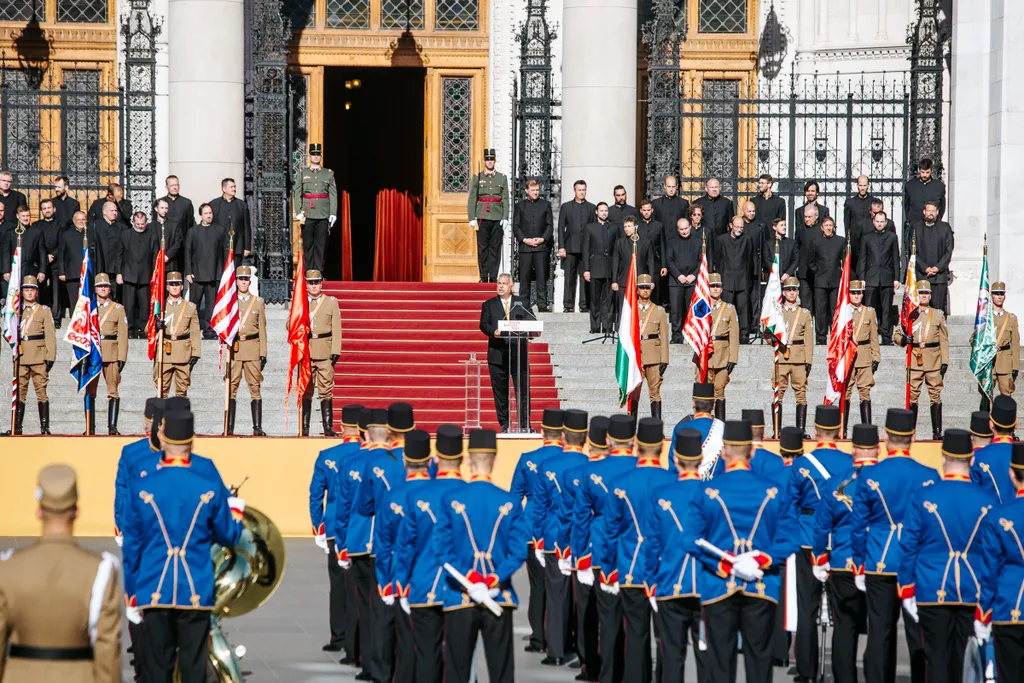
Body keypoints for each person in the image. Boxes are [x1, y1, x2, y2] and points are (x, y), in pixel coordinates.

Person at [121, 409, 245, 683]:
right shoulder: (208, 484)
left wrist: (132, 592)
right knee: (193, 670)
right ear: (193, 442)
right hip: (195, 589)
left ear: (161, 439)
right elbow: (229, 536)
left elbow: (132, 547)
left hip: (153, 587)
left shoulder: (142, 486)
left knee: (157, 670)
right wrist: (236, 512)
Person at [682, 420, 802, 683]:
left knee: (720, 662)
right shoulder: (774, 491)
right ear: (751, 452)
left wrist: (724, 564)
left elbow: (690, 539)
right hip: (762, 583)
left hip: (718, 585)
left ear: (724, 452)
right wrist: (762, 558)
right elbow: (792, 536)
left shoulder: (706, 490)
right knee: (759, 662)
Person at [0, 464, 122, 682]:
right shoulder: (100, 571)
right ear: (76, 510)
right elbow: (107, 650)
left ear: (39, 510)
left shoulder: (8, 568)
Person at [897, 429, 996, 683]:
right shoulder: (989, 501)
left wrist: (906, 587)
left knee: (937, 659)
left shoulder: (924, 497)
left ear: (943, 458)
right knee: (967, 664)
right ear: (972, 460)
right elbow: (993, 554)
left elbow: (908, 546)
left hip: (932, 588)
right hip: (972, 590)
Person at [849, 407, 935, 683]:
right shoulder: (929, 475)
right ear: (912, 436)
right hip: (916, 563)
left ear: (886, 437)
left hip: (879, 559)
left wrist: (859, 562)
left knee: (879, 633)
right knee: (918, 634)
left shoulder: (870, 475)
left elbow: (859, 526)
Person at [435, 428, 528, 683]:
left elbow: (441, 550)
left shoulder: (450, 499)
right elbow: (519, 551)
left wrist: (471, 579)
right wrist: (491, 579)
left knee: (457, 671)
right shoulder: (509, 502)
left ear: (467, 459)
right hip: (500, 596)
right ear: (495, 461)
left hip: (459, 596)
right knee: (501, 672)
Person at [391, 425, 468, 683]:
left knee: (427, 654)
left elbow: (406, 546)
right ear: (462, 458)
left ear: (435, 460)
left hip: (423, 584)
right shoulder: (473, 494)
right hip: (463, 587)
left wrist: (401, 582)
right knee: (460, 658)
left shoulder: (417, 496)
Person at [785, 404, 852, 683]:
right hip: (839, 539)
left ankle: (806, 671)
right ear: (839, 431)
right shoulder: (850, 464)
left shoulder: (802, 464)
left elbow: (790, 506)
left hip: (806, 539)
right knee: (843, 614)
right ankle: (843, 672)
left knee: (806, 607)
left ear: (814, 431)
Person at [604, 417, 673, 683]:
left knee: (635, 634)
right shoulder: (672, 481)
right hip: (665, 569)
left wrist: (608, 570)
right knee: (667, 638)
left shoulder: (621, 482)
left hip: (630, 566)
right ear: (661, 446)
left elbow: (610, 531)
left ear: (636, 444)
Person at [810, 423, 878, 683]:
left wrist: (819, 558)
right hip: (878, 561)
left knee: (844, 628)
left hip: (843, 559)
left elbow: (821, 526)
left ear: (853, 450)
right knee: (880, 629)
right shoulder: (884, 478)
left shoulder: (837, 482)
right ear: (876, 449)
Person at [574, 414, 638, 683]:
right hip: (637, 550)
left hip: (601, 548)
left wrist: (578, 556)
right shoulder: (641, 468)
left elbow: (580, 518)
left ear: (609, 439)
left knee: (606, 619)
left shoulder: (590, 471)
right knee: (637, 624)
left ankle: (604, 672)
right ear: (633, 441)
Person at [645, 427, 708, 683]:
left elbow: (652, 544)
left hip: (671, 582)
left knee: (672, 655)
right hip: (706, 586)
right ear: (700, 459)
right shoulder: (712, 492)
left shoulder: (661, 494)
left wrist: (650, 581)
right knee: (707, 657)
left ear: (676, 459)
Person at [369, 423, 424, 683]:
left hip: (391, 550)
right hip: (425, 554)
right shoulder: (431, 465)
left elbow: (364, 504)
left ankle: (383, 672)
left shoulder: (377, 462)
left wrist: (383, 578)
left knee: (385, 619)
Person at [534, 409, 588, 667]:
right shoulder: (589, 466)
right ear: (585, 437)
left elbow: (539, 507)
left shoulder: (547, 466)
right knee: (580, 599)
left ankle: (556, 650)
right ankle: (579, 647)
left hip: (553, 535)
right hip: (582, 537)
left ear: (564, 435)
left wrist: (536, 539)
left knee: (556, 596)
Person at [509, 408, 566, 655]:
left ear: (542, 432)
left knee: (537, 586)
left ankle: (539, 637)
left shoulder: (527, 459)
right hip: (563, 529)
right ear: (563, 434)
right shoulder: (570, 459)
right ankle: (561, 637)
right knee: (563, 589)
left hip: (534, 529)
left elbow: (514, 499)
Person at [309, 404, 363, 654]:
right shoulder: (368, 455)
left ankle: (339, 636)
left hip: (333, 528)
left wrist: (318, 526)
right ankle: (360, 637)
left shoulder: (326, 455)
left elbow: (315, 494)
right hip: (362, 529)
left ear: (341, 427)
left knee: (338, 586)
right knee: (362, 587)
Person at [566, 415, 609, 682]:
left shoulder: (579, 473)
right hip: (621, 552)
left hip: (590, 549)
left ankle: (588, 662)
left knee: (587, 612)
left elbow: (579, 519)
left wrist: (578, 553)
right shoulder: (628, 470)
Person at [333, 409, 376, 676]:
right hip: (388, 543)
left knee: (356, 600)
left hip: (357, 538)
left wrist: (341, 541)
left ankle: (355, 651)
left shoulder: (347, 461)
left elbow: (343, 507)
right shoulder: (400, 461)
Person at [976, 442, 1024, 679]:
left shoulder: (998, 517)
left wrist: (983, 611)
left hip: (1009, 606)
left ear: (1012, 474)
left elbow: (990, 570)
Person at [893, 280, 948, 438]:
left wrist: (945, 361)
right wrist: (903, 340)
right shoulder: (909, 314)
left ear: (930, 296)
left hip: (933, 358)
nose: (924, 296)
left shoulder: (938, 315)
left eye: (926, 293)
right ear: (916, 296)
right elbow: (896, 334)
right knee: (913, 396)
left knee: (935, 394)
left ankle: (937, 432)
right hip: (914, 358)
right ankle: (911, 432)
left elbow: (944, 339)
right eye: (921, 293)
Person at [479, 273, 533, 432]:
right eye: (498, 283)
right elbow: (483, 324)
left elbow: (531, 321)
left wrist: (530, 330)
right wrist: (493, 331)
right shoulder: (489, 304)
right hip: (497, 354)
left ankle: (524, 425)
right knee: (500, 392)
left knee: (522, 391)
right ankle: (505, 424)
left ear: (511, 287)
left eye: (504, 284)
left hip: (518, 354)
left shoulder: (522, 303)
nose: (500, 286)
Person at [9, 276, 55, 436]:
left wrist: (51, 356)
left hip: (38, 355)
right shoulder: (15, 310)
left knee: (41, 391)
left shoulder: (44, 310)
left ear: (37, 292)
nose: (29, 292)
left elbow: (50, 335)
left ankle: (44, 427)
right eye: (26, 289)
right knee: (19, 392)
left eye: (32, 289)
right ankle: (17, 427)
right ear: (22, 292)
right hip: (21, 357)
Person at [84, 273, 128, 436]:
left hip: (111, 353)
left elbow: (123, 335)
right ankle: (90, 426)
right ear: (95, 289)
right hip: (92, 353)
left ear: (110, 289)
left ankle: (112, 427)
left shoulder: (118, 308)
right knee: (90, 391)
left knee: (113, 391)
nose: (103, 289)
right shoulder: (88, 308)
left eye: (106, 286)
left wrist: (122, 357)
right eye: (100, 286)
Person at [228, 266, 267, 435]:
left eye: (246, 279)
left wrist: (263, 353)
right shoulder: (229, 302)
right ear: (236, 281)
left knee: (255, 387)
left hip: (252, 348)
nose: (243, 282)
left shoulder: (258, 302)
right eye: (240, 279)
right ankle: (229, 427)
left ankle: (257, 428)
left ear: (250, 281)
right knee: (231, 387)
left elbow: (262, 330)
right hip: (235, 349)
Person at [302, 270, 342, 436]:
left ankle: (327, 427)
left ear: (321, 283)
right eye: (311, 283)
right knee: (306, 390)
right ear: (306, 284)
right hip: (306, 352)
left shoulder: (331, 302)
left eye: (316, 282)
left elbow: (337, 327)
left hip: (325, 350)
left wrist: (335, 350)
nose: (314, 286)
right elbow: (290, 325)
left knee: (326, 389)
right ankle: (304, 427)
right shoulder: (301, 302)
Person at [773, 277, 814, 434]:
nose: (791, 293)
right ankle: (777, 430)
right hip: (781, 356)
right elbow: (767, 333)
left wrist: (808, 361)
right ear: (783, 292)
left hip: (798, 357)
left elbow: (809, 339)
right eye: (788, 290)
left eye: (794, 290)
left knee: (801, 394)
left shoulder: (804, 313)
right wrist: (774, 342)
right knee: (778, 393)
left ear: (797, 292)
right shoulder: (777, 312)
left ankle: (801, 430)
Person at [152, 271, 201, 398]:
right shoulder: (159, 306)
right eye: (171, 284)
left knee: (182, 391)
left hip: (182, 351)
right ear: (167, 287)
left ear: (182, 286)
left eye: (177, 284)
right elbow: (148, 329)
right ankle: (162, 418)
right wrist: (156, 326)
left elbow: (195, 332)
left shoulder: (190, 307)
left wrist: (195, 353)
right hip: (164, 351)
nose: (174, 287)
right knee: (161, 390)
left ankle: (179, 418)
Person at [293, 142, 338, 274]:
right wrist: (299, 211)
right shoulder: (303, 173)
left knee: (321, 245)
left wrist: (332, 213)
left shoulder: (328, 174)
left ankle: (318, 272)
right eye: (314, 154)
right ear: (310, 156)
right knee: (308, 244)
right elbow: (298, 193)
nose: (316, 157)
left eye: (318, 154)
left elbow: (333, 194)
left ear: (321, 156)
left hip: (323, 214)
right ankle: (309, 271)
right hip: (308, 213)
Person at [184, 202, 228, 339]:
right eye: (206, 213)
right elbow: (188, 252)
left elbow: (224, 252)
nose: (209, 216)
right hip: (196, 274)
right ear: (201, 215)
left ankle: (210, 330)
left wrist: (223, 272)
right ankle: (191, 328)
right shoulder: (193, 231)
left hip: (214, 273)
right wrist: (188, 272)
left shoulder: (220, 230)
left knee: (211, 304)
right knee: (194, 303)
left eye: (210, 213)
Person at [858, 210, 901, 345]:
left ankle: (886, 337)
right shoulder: (866, 237)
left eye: (882, 222)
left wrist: (896, 278)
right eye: (877, 221)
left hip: (887, 278)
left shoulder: (892, 237)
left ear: (886, 222)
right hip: (871, 278)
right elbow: (863, 258)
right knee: (870, 308)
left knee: (886, 309)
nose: (879, 224)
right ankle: (869, 335)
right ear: (873, 222)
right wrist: (862, 278)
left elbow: (895, 257)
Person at [468, 148, 509, 283]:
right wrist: (471, 217)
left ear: (495, 161)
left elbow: (505, 198)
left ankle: (493, 276)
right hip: (482, 216)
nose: (490, 162)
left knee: (495, 247)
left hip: (497, 216)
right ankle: (484, 276)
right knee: (483, 247)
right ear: (485, 161)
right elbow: (473, 198)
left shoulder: (501, 178)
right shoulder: (477, 177)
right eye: (487, 159)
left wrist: (505, 216)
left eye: (492, 159)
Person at [668, 382, 725, 478]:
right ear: (714, 406)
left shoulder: (680, 429)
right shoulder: (724, 428)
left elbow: (673, 467)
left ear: (693, 403)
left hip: (686, 486)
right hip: (716, 488)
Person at [513, 179, 553, 311]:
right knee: (524, 278)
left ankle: (542, 304)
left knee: (542, 277)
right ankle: (524, 304)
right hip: (525, 247)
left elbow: (549, 225)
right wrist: (524, 240)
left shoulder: (546, 205)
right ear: (526, 191)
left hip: (541, 247)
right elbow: (516, 226)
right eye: (533, 190)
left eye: (537, 190)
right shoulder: (520, 206)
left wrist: (542, 239)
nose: (536, 193)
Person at [703, 273, 739, 419]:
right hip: (705, 355)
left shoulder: (729, 309)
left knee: (719, 391)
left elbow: (734, 336)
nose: (715, 289)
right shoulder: (701, 306)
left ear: (722, 289)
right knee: (704, 392)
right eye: (712, 286)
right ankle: (705, 423)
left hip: (722, 356)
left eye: (718, 286)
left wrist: (733, 359)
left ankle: (719, 425)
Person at [845, 280, 880, 429]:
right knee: (845, 393)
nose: (856, 296)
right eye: (853, 293)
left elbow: (873, 336)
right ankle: (843, 429)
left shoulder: (870, 312)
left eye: (859, 293)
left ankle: (867, 428)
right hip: (847, 358)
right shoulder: (843, 312)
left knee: (865, 392)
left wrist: (876, 357)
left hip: (864, 356)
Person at [908, 200, 954, 313]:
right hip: (922, 275)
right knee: (920, 311)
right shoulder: (916, 228)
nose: (931, 213)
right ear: (924, 212)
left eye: (933, 211)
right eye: (929, 210)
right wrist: (925, 268)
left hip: (939, 277)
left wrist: (938, 267)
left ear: (937, 212)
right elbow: (912, 251)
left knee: (938, 311)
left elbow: (948, 251)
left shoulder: (945, 228)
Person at [971, 394, 1017, 505]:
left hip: (990, 519)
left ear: (991, 424)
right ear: (1016, 425)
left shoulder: (977, 457)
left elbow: (972, 500)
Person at [715, 215, 755, 341]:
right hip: (726, 278)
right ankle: (724, 333)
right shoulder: (721, 239)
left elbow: (750, 258)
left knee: (743, 308)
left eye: (741, 227)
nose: (739, 229)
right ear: (731, 226)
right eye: (737, 226)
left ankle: (744, 334)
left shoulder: (747, 239)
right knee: (726, 308)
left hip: (742, 278)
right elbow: (718, 258)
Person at [559, 180, 596, 313]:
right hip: (570, 247)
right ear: (574, 190)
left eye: (584, 190)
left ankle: (584, 305)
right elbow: (561, 228)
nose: (582, 192)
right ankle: (568, 305)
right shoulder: (566, 206)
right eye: (579, 190)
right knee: (570, 277)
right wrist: (561, 247)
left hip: (586, 249)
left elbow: (594, 229)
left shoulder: (592, 208)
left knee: (585, 277)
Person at [120, 211, 159, 339]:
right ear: (133, 222)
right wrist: (118, 273)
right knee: (129, 304)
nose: (140, 226)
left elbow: (155, 256)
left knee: (145, 305)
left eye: (142, 224)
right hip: (128, 274)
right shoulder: (126, 234)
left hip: (146, 275)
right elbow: (119, 254)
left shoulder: (152, 236)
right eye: (138, 224)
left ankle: (144, 329)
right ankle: (129, 329)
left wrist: (155, 274)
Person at [636, 274, 669, 419]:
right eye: (642, 287)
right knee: (633, 394)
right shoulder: (631, 310)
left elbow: (665, 337)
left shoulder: (659, 311)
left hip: (654, 357)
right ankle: (630, 429)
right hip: (636, 356)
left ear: (651, 289)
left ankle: (656, 428)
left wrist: (664, 359)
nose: (644, 290)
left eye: (647, 287)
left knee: (655, 393)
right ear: (637, 290)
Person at [610, 216, 656, 321]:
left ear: (636, 226)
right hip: (623, 281)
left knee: (641, 307)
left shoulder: (646, 242)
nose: (626, 229)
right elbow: (615, 262)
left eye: (629, 226)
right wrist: (614, 281)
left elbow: (651, 261)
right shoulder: (620, 242)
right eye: (625, 226)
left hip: (641, 281)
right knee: (623, 308)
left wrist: (652, 280)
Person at [55, 211, 98, 322]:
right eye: (79, 220)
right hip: (72, 274)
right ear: (74, 221)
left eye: (83, 219)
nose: (81, 222)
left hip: (88, 274)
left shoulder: (91, 234)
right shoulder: (66, 235)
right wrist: (61, 272)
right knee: (75, 301)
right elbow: (61, 255)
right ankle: (76, 323)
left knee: (89, 299)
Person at [810, 216, 845, 344]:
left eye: (831, 225)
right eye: (826, 226)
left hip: (835, 280)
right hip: (820, 281)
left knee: (835, 309)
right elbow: (810, 260)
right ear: (822, 227)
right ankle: (820, 337)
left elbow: (845, 260)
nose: (829, 228)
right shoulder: (815, 241)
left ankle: (836, 335)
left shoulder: (841, 241)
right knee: (820, 310)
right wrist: (817, 271)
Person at [666, 217, 703, 340]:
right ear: (677, 229)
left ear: (690, 227)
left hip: (693, 281)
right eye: (681, 229)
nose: (684, 231)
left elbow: (702, 260)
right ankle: (676, 336)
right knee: (676, 310)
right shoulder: (672, 242)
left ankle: (692, 335)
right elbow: (669, 260)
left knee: (692, 309)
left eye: (686, 228)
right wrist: (679, 275)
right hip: (676, 282)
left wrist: (694, 275)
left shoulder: (698, 241)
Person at [582, 202, 615, 334]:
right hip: (594, 268)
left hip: (609, 268)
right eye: (601, 210)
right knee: (594, 300)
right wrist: (586, 269)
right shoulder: (590, 227)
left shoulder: (613, 227)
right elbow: (586, 249)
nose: (604, 213)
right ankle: (595, 327)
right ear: (596, 212)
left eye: (606, 210)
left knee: (608, 301)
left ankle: (607, 327)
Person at [209, 178, 252, 269]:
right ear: (224, 189)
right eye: (231, 187)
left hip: (237, 247)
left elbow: (246, 227)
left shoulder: (241, 205)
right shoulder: (214, 204)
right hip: (219, 247)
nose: (234, 189)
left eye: (235, 187)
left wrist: (247, 247)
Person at [902, 157, 946, 242]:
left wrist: (937, 218)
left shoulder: (939, 186)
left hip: (933, 224)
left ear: (931, 171)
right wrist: (910, 219)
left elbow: (942, 205)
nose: (924, 175)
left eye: (927, 172)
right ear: (919, 170)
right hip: (915, 222)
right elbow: (906, 205)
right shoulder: (910, 185)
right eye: (922, 172)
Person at [33, 199, 61, 325]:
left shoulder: (61, 224)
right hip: (41, 263)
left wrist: (53, 255)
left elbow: (62, 243)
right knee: (41, 290)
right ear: (41, 211)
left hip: (56, 262)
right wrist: (44, 258)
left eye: (49, 207)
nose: (47, 210)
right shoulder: (36, 225)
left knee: (56, 291)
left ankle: (56, 318)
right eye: (44, 208)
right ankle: (41, 316)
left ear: (54, 209)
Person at [652, 175, 690, 265]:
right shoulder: (656, 203)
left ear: (677, 187)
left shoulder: (684, 203)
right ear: (664, 187)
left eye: (673, 187)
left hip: (679, 243)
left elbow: (686, 223)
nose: (671, 189)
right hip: (661, 243)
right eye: (669, 187)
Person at [990, 281, 1019, 398]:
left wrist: (1015, 366)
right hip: (988, 363)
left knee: (1006, 397)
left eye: (1001, 293)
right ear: (992, 296)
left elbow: (1016, 344)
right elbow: (973, 339)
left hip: (1005, 363)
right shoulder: (985, 317)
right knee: (986, 397)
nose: (999, 296)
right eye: (996, 293)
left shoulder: (1011, 318)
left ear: (1005, 296)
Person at [795, 203, 823, 316]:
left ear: (816, 216)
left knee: (819, 301)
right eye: (805, 217)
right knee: (805, 300)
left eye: (809, 217)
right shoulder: (801, 229)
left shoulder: (821, 229)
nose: (807, 219)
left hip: (819, 270)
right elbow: (796, 247)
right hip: (804, 270)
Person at [94, 202, 125, 301]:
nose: (114, 213)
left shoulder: (122, 227)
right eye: (112, 210)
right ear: (104, 212)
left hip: (115, 266)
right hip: (100, 266)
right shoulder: (96, 226)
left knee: (115, 294)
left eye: (116, 210)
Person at [149, 197, 183, 288]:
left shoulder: (174, 225)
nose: (164, 210)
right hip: (155, 265)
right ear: (156, 209)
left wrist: (167, 256)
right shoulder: (150, 226)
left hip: (170, 264)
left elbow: (178, 242)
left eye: (166, 208)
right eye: (162, 208)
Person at [158, 175, 197, 252]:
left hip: (183, 245)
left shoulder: (187, 203)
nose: (175, 187)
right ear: (167, 187)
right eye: (172, 185)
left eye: (177, 185)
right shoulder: (159, 202)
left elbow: (190, 224)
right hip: (165, 244)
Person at [761, 217, 798, 288]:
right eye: (781, 225)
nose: (784, 227)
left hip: (788, 278)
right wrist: (779, 274)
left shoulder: (792, 243)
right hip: (773, 278)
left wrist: (787, 274)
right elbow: (767, 260)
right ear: (774, 227)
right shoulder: (768, 243)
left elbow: (796, 260)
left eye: (785, 225)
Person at [843, 175, 877, 246]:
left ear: (868, 185)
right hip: (855, 240)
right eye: (860, 185)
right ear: (857, 185)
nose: (862, 188)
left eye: (864, 185)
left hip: (871, 239)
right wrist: (848, 240)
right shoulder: (850, 203)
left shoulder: (874, 201)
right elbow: (847, 223)